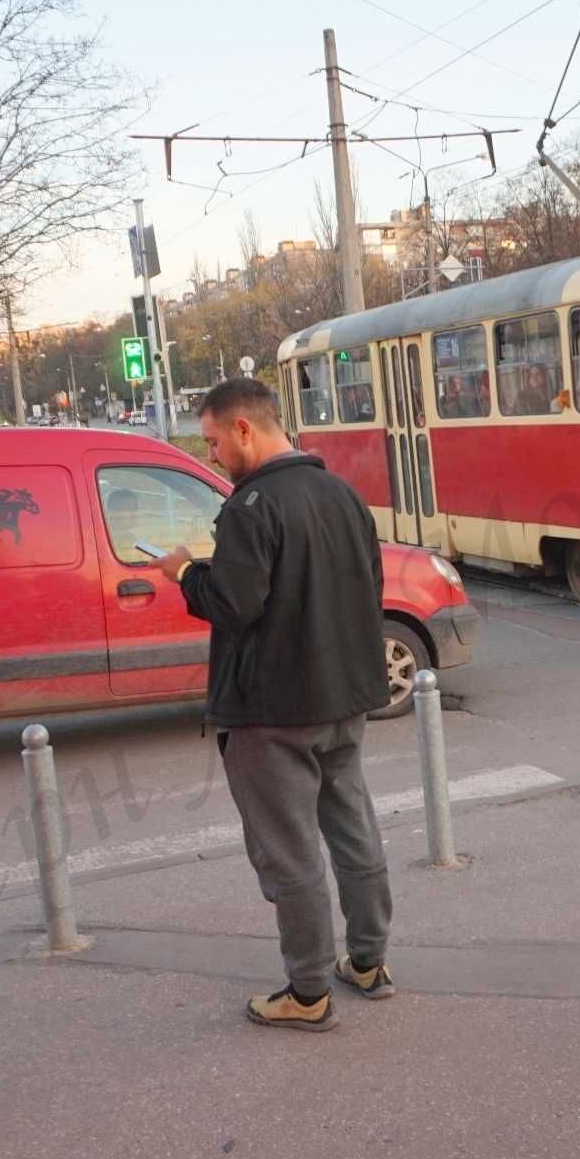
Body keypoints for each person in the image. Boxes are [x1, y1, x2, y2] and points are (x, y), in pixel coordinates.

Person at [153, 377, 393, 1031]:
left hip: (272, 710)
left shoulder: (250, 507)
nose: (209, 456)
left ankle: (308, 991)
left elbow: (233, 603)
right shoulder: (343, 495)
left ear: (243, 430)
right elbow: (368, 589)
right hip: (344, 698)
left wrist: (183, 572)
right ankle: (368, 960)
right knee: (353, 828)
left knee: (289, 853)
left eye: (210, 442)